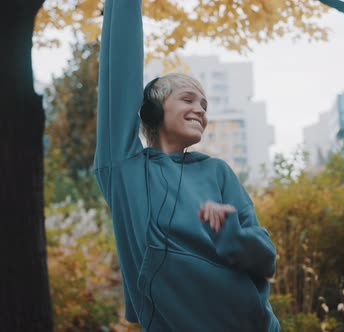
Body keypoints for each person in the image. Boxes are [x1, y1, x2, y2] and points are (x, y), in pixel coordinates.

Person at [94, 1, 280, 331]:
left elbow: (267, 258)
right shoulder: (126, 171)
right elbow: (118, 68)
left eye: (204, 105)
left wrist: (231, 234)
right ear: (153, 111)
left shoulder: (217, 172)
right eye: (188, 99)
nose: (200, 110)